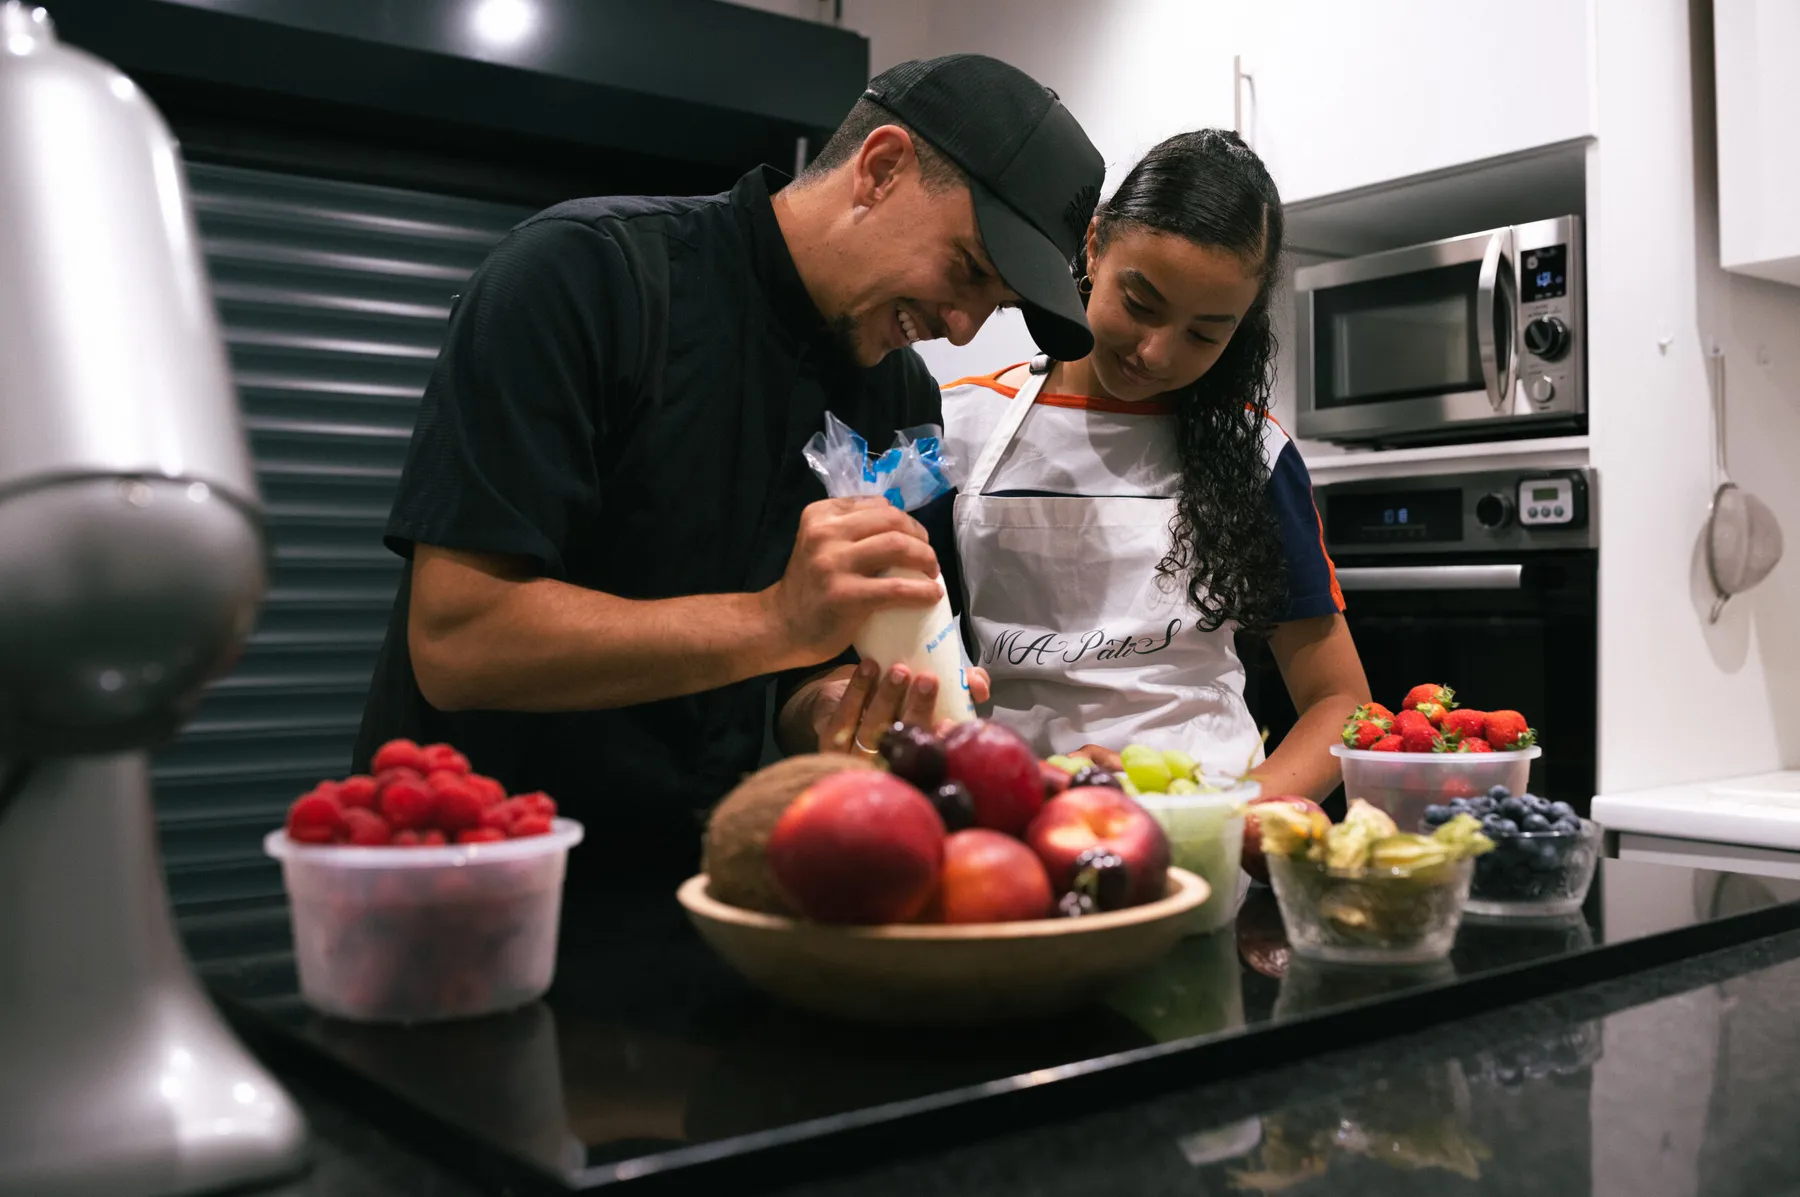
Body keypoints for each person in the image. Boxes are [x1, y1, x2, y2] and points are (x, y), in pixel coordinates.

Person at [352, 54, 1107, 876]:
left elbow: (809, 674)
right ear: (881, 168)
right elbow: (458, 640)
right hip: (471, 886)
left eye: (991, 304)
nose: (961, 328)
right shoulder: (582, 277)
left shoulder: (901, 398)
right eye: (967, 268)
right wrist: (774, 622)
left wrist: (840, 712)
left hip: (720, 894)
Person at [926, 130, 1371, 801]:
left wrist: (1228, 818)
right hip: (1010, 818)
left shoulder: (1254, 454)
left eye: (1204, 333)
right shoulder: (959, 427)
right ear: (1096, 244)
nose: (1157, 353)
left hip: (1199, 832)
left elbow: (1341, 701)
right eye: (1141, 305)